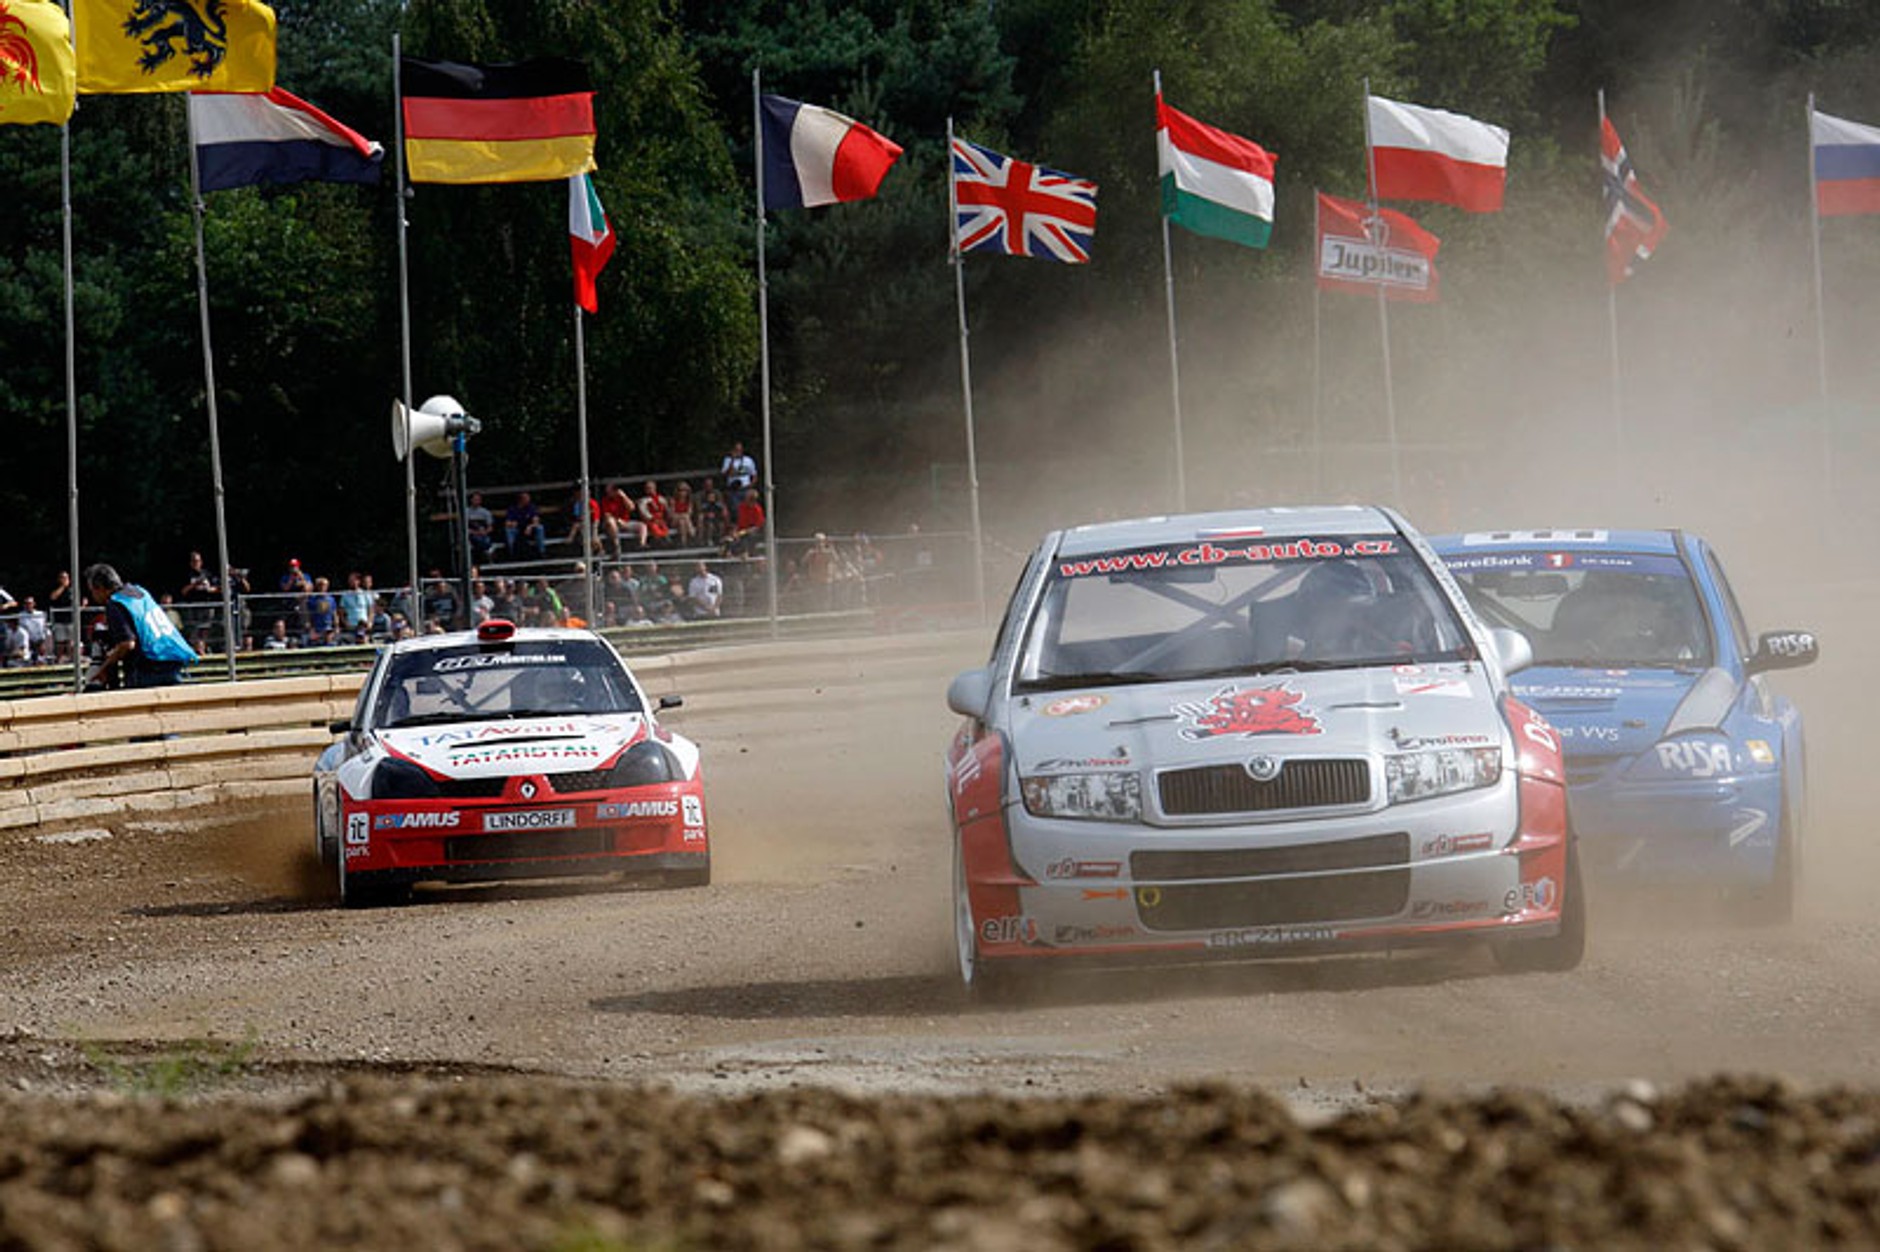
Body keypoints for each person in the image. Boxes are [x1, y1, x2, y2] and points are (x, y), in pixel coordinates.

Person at [83, 563, 198, 688]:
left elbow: (127, 644)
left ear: (100, 588)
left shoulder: (115, 603)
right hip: (173, 658)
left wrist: (104, 667)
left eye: (92, 591)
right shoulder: (140, 592)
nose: (93, 596)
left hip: (149, 665)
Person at [600, 481, 646, 556]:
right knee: (610, 521)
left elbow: (632, 508)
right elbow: (607, 516)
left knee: (642, 526)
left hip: (625, 522)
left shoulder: (622, 498)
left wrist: (624, 496)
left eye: (610, 491)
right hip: (611, 524)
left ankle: (642, 545)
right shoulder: (605, 500)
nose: (608, 493)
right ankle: (617, 547)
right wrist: (617, 520)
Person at [504, 492, 547, 560]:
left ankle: (542, 552)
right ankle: (511, 553)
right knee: (508, 531)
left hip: (529, 529)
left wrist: (530, 526)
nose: (528, 500)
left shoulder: (531, 507)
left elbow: (536, 521)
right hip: (517, 529)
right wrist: (513, 524)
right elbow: (507, 523)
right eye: (526, 498)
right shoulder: (513, 509)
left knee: (540, 528)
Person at [464, 492, 496, 564]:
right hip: (471, 535)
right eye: (475, 499)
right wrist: (474, 532)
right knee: (478, 540)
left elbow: (490, 527)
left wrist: (485, 532)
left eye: (478, 499)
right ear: (471, 500)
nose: (476, 501)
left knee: (485, 540)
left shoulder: (486, 512)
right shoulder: (466, 512)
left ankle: (485, 557)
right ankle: (485, 553)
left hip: (484, 534)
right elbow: (464, 528)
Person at [638, 479, 672, 546]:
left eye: (651, 488)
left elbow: (667, 511)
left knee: (663, 526)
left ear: (655, 488)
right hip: (650, 521)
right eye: (648, 488)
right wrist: (653, 518)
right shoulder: (643, 501)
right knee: (654, 527)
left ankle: (667, 542)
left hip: (661, 520)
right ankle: (659, 542)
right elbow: (643, 513)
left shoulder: (661, 499)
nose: (650, 490)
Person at [669, 481, 698, 546]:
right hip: (674, 521)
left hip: (684, 521)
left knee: (682, 522)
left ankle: (683, 543)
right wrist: (682, 515)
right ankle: (692, 534)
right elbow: (672, 515)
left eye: (684, 490)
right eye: (680, 490)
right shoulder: (673, 501)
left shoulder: (689, 501)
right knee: (684, 518)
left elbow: (689, 513)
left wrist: (682, 516)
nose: (682, 492)